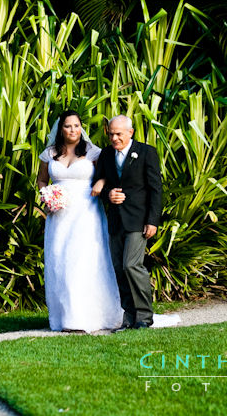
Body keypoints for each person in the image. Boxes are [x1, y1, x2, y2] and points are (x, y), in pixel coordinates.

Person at [37, 110, 123, 332]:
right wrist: (46, 195)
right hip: (58, 214)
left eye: (76, 126)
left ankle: (89, 317)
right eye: (68, 126)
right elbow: (42, 180)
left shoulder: (93, 152)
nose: (73, 130)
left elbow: (109, 173)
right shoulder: (49, 153)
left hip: (86, 212)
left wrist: (101, 183)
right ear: (61, 129)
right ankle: (65, 317)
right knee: (60, 261)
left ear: (81, 127)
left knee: (83, 260)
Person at [92, 115, 163, 331]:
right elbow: (99, 183)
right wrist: (108, 194)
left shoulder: (146, 152)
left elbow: (156, 189)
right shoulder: (105, 154)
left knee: (131, 265)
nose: (114, 138)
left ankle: (144, 316)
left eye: (119, 134)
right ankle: (129, 316)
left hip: (138, 220)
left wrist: (152, 220)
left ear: (130, 133)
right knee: (119, 269)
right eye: (111, 134)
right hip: (115, 221)